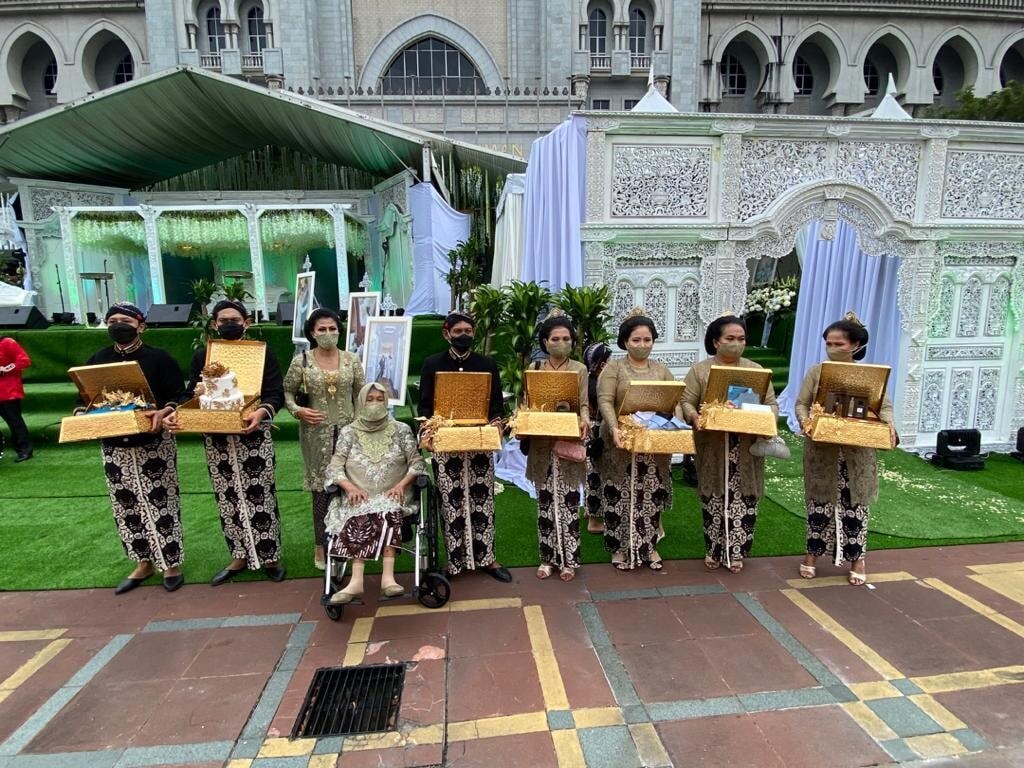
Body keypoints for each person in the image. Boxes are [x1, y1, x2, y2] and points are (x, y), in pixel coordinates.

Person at [165, 299, 287, 585]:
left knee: (260, 494)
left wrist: (262, 411)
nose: (229, 324)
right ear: (214, 324)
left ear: (246, 322)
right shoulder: (204, 356)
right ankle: (239, 555)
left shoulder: (261, 352)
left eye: (235, 320)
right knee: (226, 496)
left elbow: (275, 392)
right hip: (216, 437)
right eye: (223, 320)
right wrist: (184, 407)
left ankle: (270, 556)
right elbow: (190, 394)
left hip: (253, 434)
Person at [82, 302, 186, 594]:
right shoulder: (98, 359)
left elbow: (179, 395)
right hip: (114, 444)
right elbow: (86, 398)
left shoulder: (159, 358)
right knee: (125, 504)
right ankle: (143, 562)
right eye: (112, 320)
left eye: (125, 320)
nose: (118, 325)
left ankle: (170, 564)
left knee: (160, 501)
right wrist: (81, 414)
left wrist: (165, 411)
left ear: (141, 326)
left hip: (153, 442)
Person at [795, 315, 895, 587]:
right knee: (818, 503)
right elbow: (802, 403)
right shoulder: (816, 372)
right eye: (828, 343)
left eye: (838, 344)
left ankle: (857, 560)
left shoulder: (869, 374)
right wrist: (806, 422)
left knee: (856, 506)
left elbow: (884, 406)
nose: (832, 348)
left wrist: (887, 425)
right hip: (822, 450)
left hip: (857, 450)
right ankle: (812, 555)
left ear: (855, 345)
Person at [418, 310, 512, 582]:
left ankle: (487, 557)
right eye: (458, 331)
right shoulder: (432, 364)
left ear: (474, 333)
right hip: (447, 442)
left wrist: (497, 425)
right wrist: (428, 433)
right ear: (446, 333)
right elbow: (425, 405)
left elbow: (496, 404)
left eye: (468, 331)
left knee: (483, 498)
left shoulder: (486, 364)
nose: (463, 336)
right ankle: (455, 561)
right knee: (451, 499)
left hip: (479, 441)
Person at [681, 315, 778, 574]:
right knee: (714, 496)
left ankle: (736, 552)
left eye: (741, 339)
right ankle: (713, 549)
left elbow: (771, 404)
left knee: (744, 497)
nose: (736, 344)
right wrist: (695, 417)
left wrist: (764, 418)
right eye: (730, 338)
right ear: (716, 341)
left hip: (746, 445)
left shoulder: (755, 370)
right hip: (713, 445)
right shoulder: (700, 370)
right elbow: (686, 401)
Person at [323, 382, 426, 603]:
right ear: (361, 402)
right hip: (359, 495)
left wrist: (401, 485)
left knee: (388, 509)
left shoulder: (401, 430)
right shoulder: (349, 432)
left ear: (387, 401)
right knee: (360, 511)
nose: (375, 404)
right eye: (369, 399)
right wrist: (350, 487)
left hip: (393, 494)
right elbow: (334, 467)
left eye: (380, 399)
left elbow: (417, 464)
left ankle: (388, 579)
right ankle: (356, 581)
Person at [283, 308, 364, 570]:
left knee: (351, 486)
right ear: (312, 333)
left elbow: (361, 395)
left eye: (332, 328)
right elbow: (287, 392)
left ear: (339, 331)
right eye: (322, 329)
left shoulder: (351, 360)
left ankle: (349, 541)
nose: (328, 333)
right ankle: (321, 545)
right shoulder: (302, 361)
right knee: (321, 491)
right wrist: (298, 410)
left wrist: (359, 426)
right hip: (315, 434)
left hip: (349, 433)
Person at [597, 309, 677, 571]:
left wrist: (674, 425)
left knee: (650, 495)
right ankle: (620, 548)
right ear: (625, 341)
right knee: (620, 495)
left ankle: (649, 546)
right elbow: (605, 400)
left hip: (653, 443)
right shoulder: (614, 368)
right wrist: (614, 428)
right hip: (620, 441)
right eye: (636, 340)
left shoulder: (661, 370)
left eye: (647, 340)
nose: (642, 345)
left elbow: (673, 400)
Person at [524, 311, 589, 582]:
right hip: (541, 443)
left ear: (572, 342)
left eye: (566, 338)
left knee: (569, 501)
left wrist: (585, 420)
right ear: (545, 342)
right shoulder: (535, 368)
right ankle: (548, 558)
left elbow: (584, 404)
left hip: (567, 440)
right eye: (555, 339)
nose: (561, 343)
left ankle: (569, 560)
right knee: (545, 502)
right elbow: (526, 403)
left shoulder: (579, 369)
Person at [583, 342, 612, 535]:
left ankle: (589, 512)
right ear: (602, 364)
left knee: (591, 474)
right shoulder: (599, 385)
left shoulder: (586, 380)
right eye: (609, 360)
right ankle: (594, 521)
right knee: (596, 476)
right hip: (596, 433)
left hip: (589, 432)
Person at [0, 334, 32, 462]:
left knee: (14, 422)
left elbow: (24, 360)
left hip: (9, 391)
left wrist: (5, 369)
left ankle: (24, 449)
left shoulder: (7, 342)